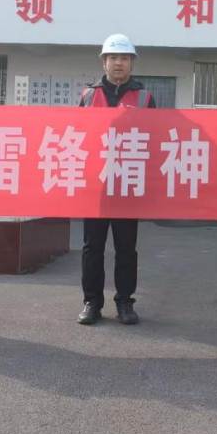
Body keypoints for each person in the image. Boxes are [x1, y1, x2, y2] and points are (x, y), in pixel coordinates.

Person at [77, 34, 157, 326]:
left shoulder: (145, 98)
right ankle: (92, 302)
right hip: (96, 186)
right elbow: (76, 137)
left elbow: (155, 140)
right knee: (92, 248)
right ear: (104, 62)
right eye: (113, 58)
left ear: (132, 63)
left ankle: (125, 302)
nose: (118, 63)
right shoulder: (87, 96)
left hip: (127, 185)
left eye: (124, 58)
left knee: (126, 249)